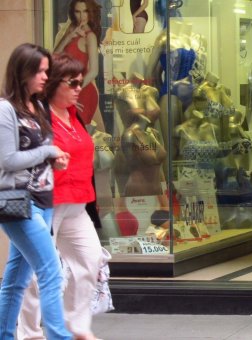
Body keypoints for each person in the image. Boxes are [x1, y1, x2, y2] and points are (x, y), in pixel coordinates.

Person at [17, 53, 103, 340]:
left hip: (77, 203)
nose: (79, 87)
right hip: (46, 203)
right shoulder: (38, 117)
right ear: (54, 84)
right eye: (73, 82)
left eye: (81, 81)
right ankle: (29, 333)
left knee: (89, 261)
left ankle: (74, 326)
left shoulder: (75, 114)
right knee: (36, 273)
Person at [0, 43, 72, 340]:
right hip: (18, 202)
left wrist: (53, 159)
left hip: (43, 201)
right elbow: (7, 160)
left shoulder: (39, 106)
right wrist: (48, 151)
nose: (45, 77)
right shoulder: (5, 109)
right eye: (40, 71)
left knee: (16, 279)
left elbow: (37, 155)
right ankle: (59, 336)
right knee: (51, 272)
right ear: (23, 71)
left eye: (47, 70)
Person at [53, 0, 105, 132]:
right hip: (68, 89)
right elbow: (54, 57)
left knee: (79, 133)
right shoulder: (71, 30)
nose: (82, 16)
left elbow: (93, 71)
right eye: (78, 11)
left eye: (85, 11)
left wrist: (73, 90)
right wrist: (69, 36)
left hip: (84, 90)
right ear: (73, 13)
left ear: (91, 13)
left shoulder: (90, 37)